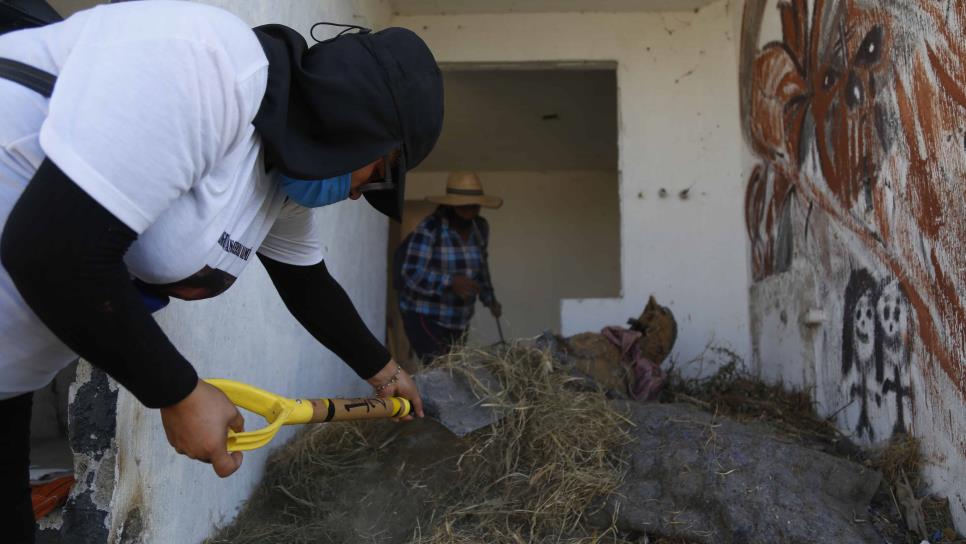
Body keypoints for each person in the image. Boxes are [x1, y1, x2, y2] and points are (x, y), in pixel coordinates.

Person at [0, 2, 442, 542]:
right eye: (379, 171)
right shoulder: (212, 63)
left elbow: (309, 286)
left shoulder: (279, 190)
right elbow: (54, 247)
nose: (358, 192)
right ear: (357, 126)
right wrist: (177, 391)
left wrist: (386, 373)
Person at [397, 171, 502, 361]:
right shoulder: (430, 228)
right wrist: (450, 282)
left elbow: (482, 267)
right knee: (440, 371)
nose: (469, 212)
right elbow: (411, 274)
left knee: (456, 373)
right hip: (425, 315)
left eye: (474, 207)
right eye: (463, 207)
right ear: (451, 205)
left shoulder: (480, 228)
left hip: (459, 318)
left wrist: (489, 298)